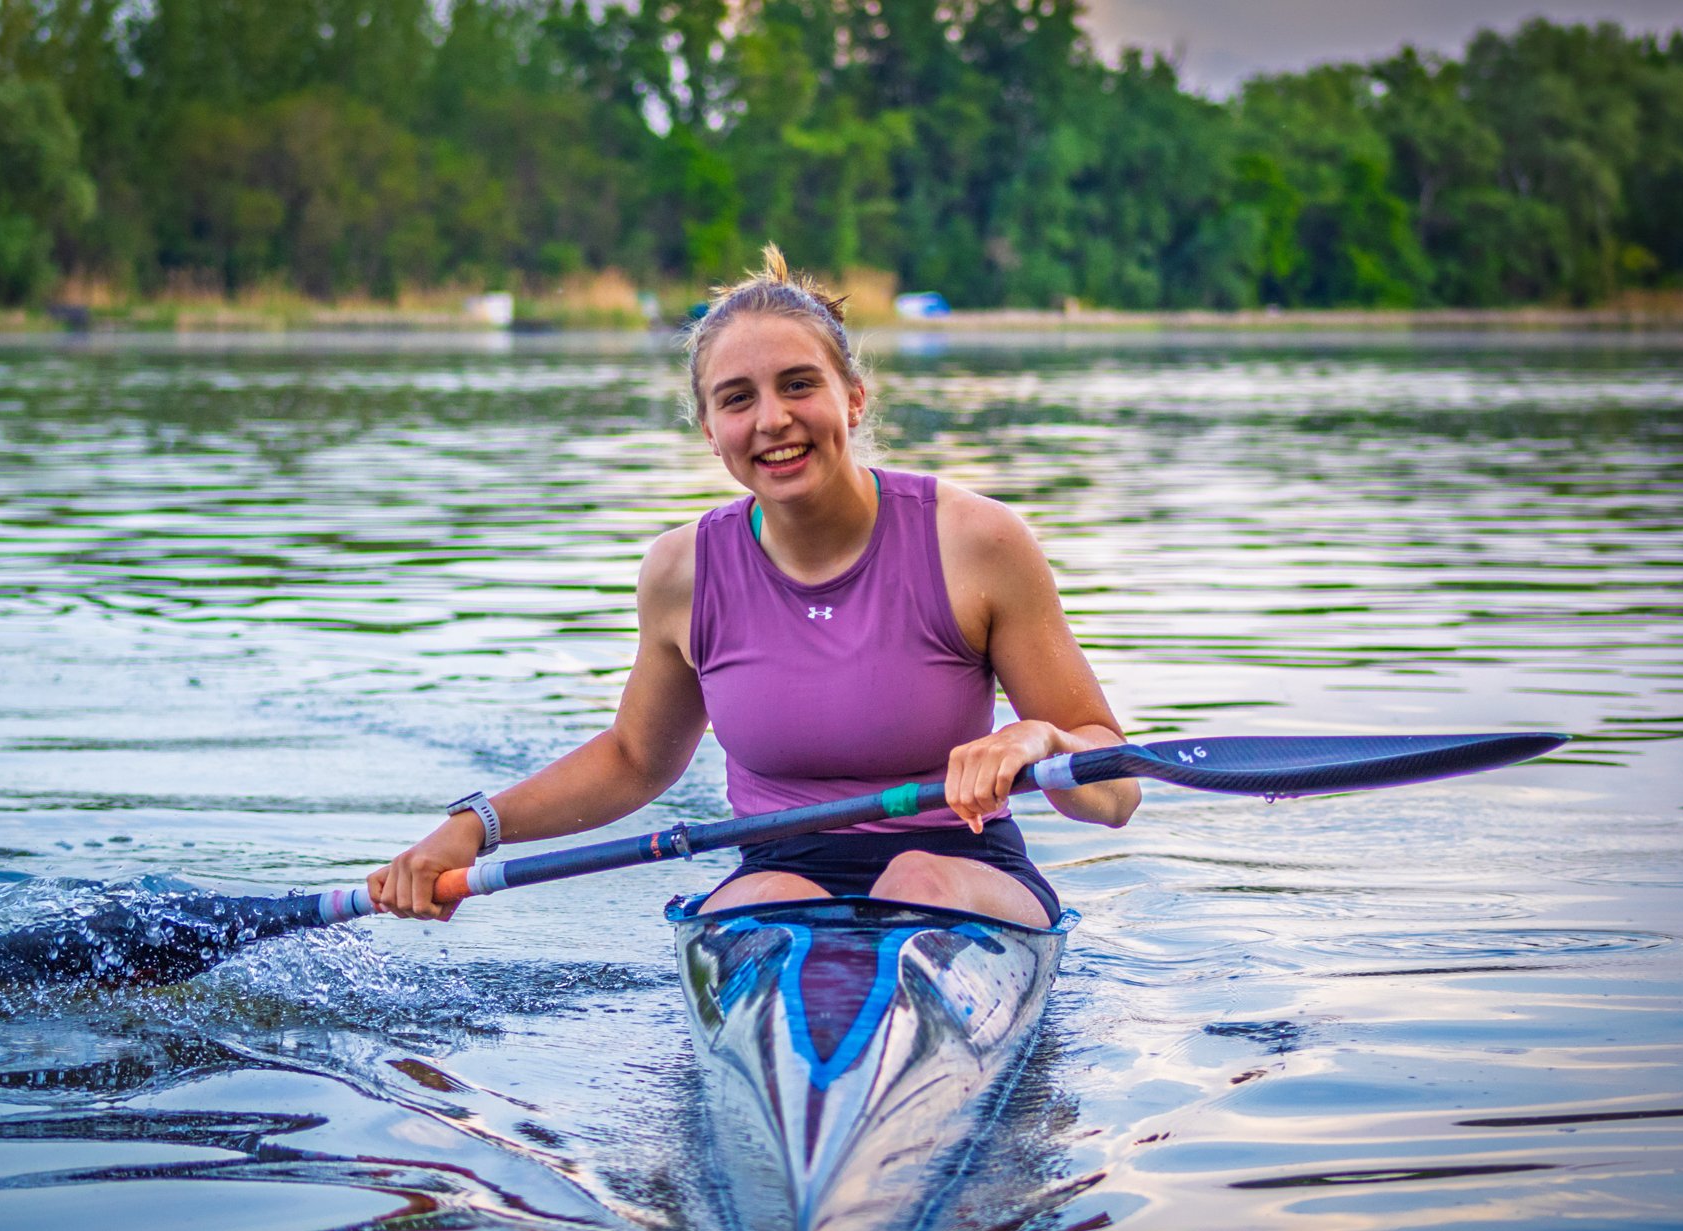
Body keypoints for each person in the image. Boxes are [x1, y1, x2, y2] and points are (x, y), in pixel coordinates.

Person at [369, 246, 1137, 928]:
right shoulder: (683, 573)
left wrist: (1039, 738)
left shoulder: (978, 542)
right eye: (738, 398)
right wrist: (475, 825)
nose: (773, 420)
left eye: (799, 385)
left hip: (963, 871)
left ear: (854, 397)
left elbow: (1117, 789)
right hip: (775, 875)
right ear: (709, 429)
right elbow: (636, 759)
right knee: (752, 904)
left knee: (915, 875)